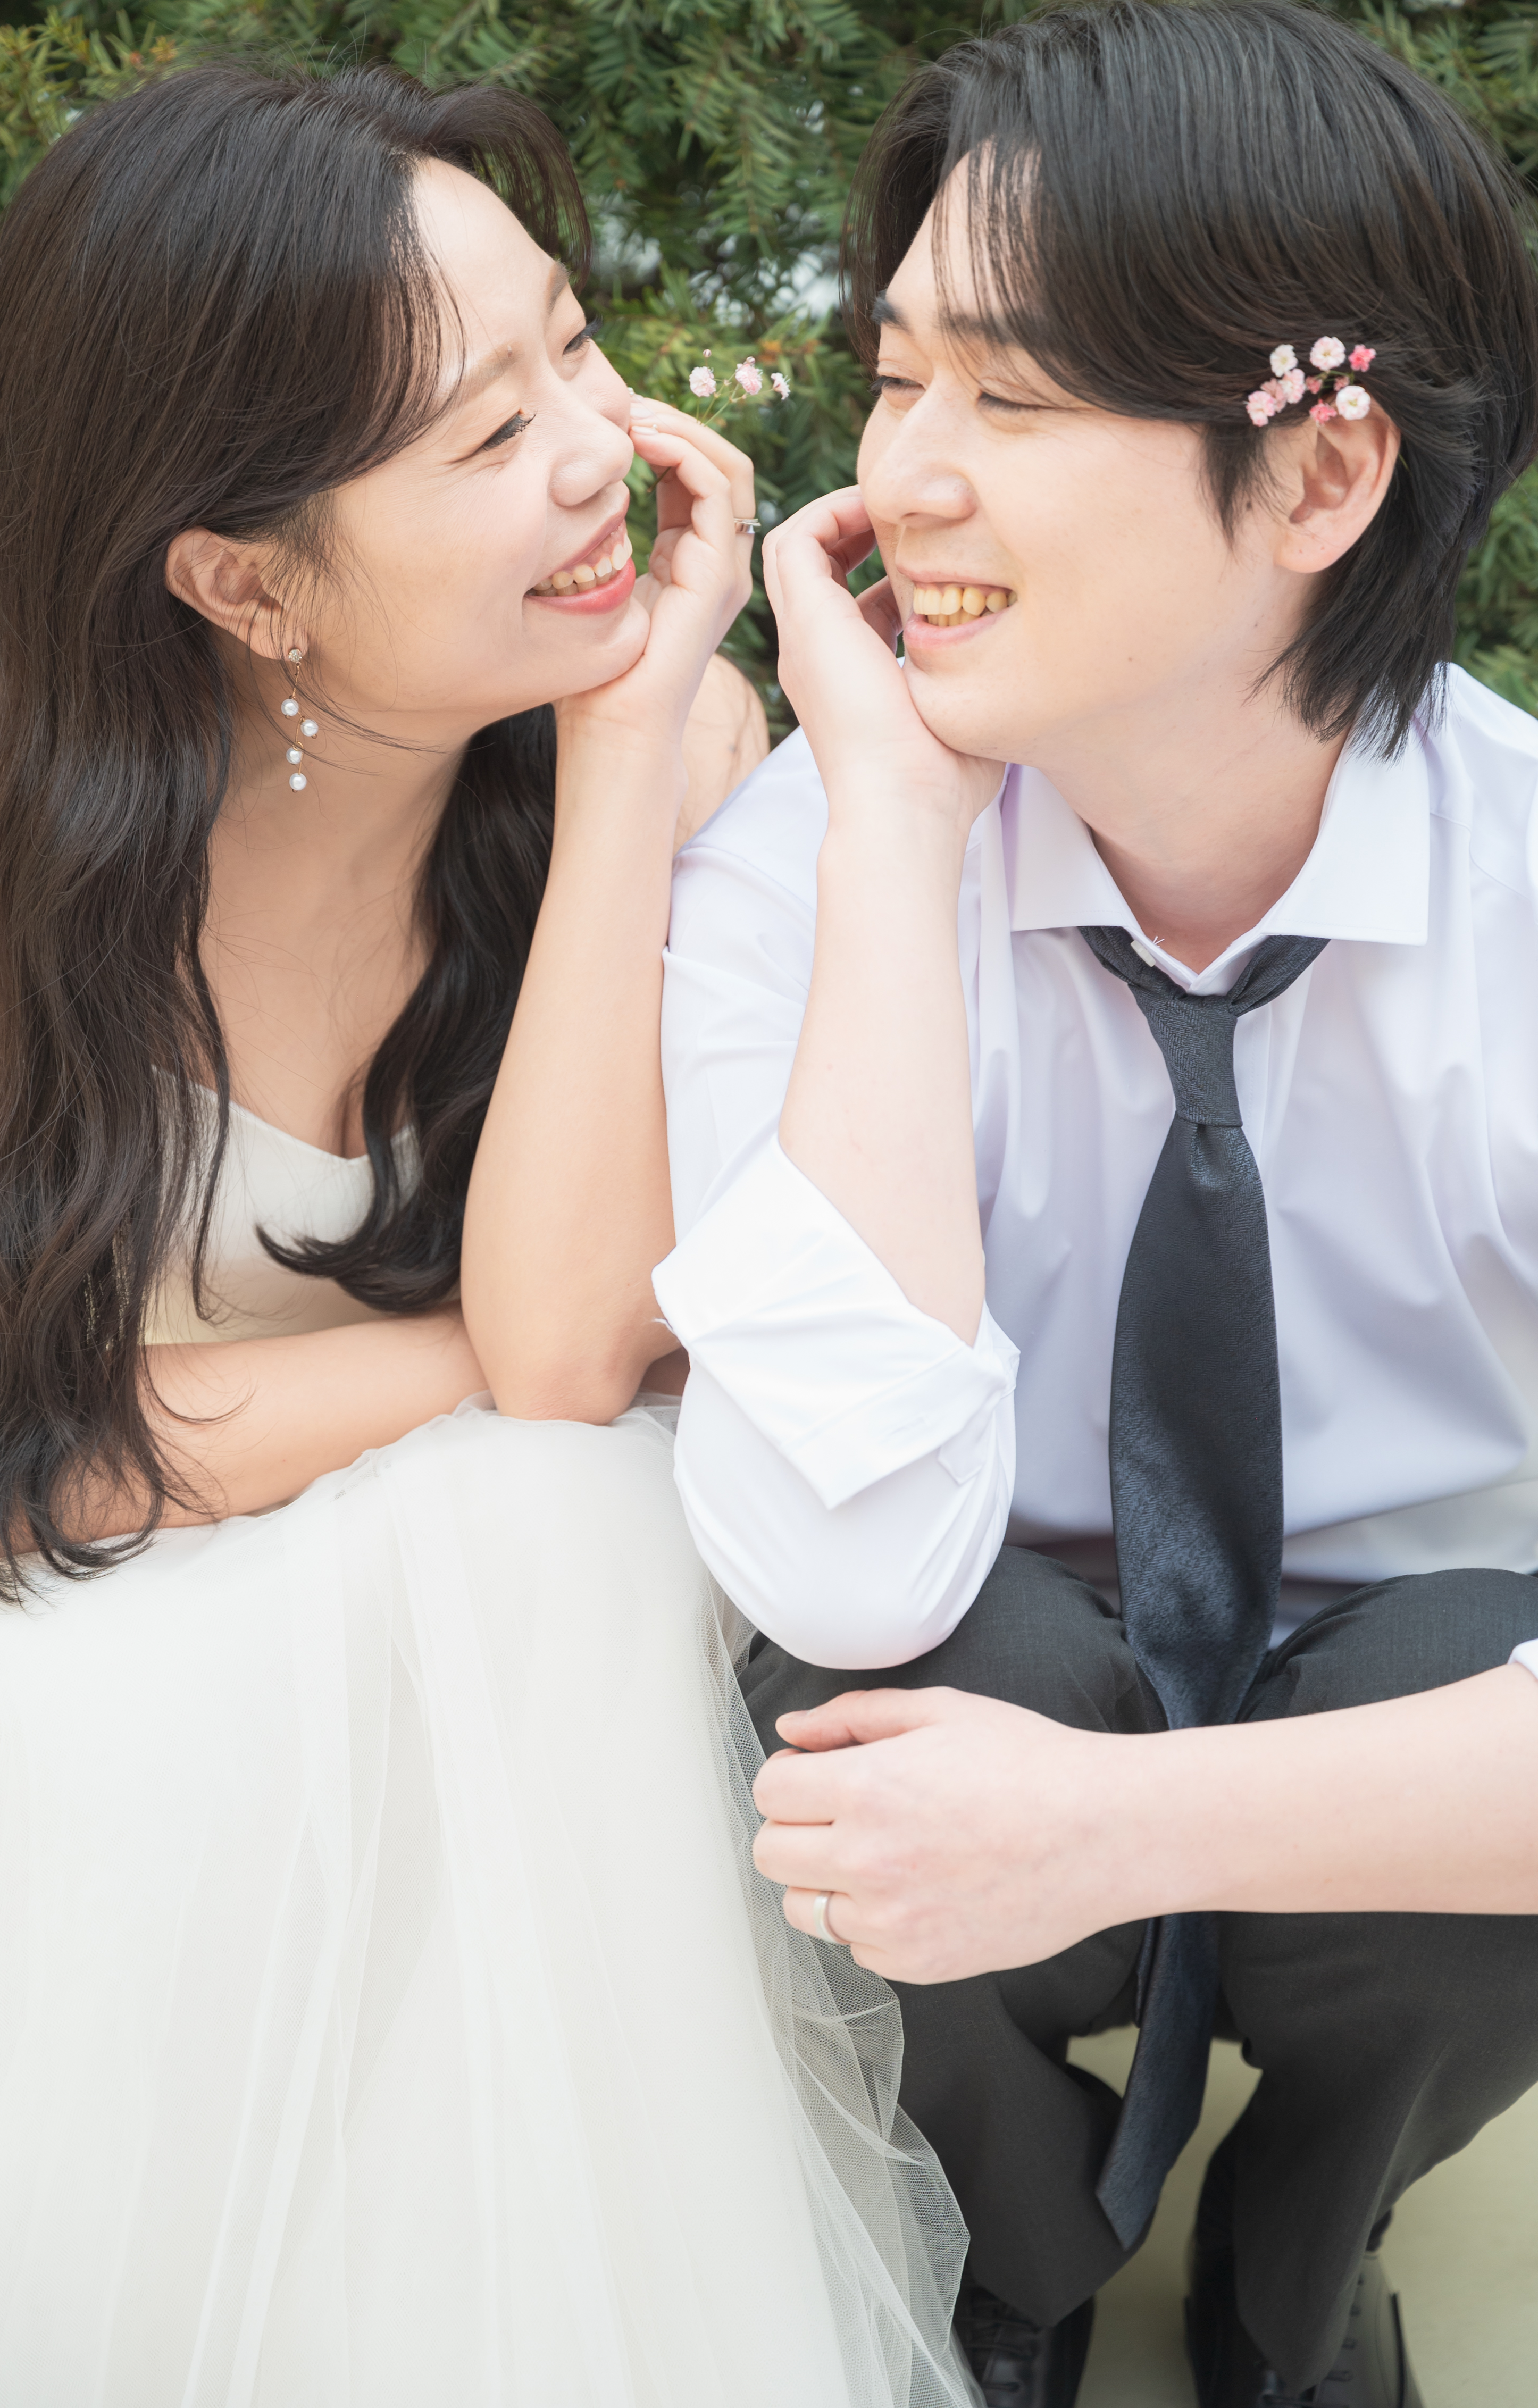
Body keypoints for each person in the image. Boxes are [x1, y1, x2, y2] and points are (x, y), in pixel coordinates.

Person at [0, 64, 980, 2408]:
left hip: (484, 1647)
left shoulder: (670, 750)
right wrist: (491, 1373)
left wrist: (622, 761)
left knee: (547, 1525)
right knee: (529, 1510)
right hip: (25, 1645)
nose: (601, 452)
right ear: (242, 577)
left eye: (574, 348)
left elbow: (577, 1351)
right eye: (487, 433)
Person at [649, 5, 1538, 2405]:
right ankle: (1006, 2264)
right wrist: (892, 836)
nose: (905, 476)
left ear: (1322, 469)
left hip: (1392, 1707)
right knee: (878, 1684)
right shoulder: (809, 861)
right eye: (896, 379)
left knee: (1471, 1708)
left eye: (1016, 401)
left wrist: (1135, 1819)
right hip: (990, 1656)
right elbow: (840, 1570)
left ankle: (1295, 2275)